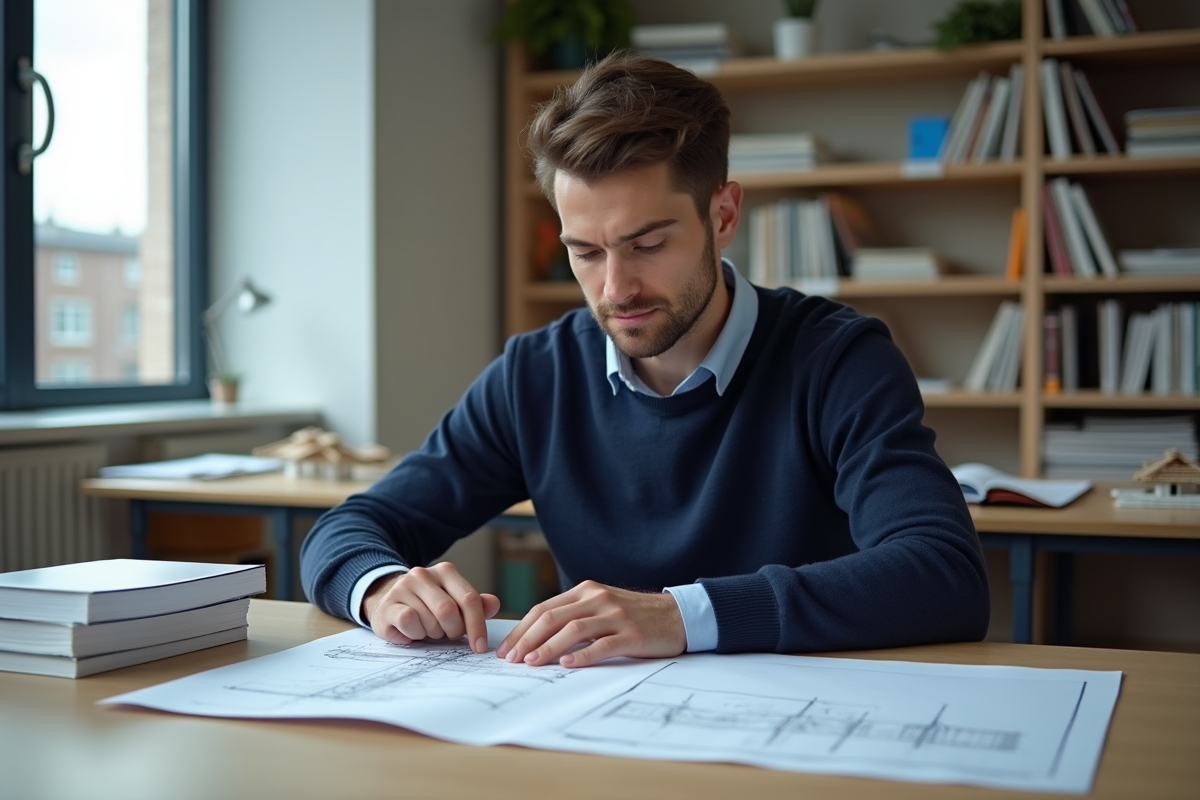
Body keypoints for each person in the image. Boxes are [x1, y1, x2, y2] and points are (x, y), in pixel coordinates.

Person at [300, 51, 989, 669]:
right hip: (601, 727)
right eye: (586, 252)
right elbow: (347, 530)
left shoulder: (838, 358)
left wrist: (682, 615)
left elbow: (942, 573)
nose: (615, 288)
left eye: (648, 243)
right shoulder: (535, 375)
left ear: (723, 216)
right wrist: (383, 586)